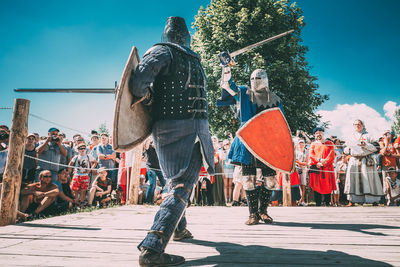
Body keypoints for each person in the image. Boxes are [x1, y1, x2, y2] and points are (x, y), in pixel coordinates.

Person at [129, 16, 214, 266]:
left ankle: (179, 227)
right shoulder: (178, 56)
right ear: (184, 36)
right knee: (180, 186)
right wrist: (145, 93)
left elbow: (139, 85)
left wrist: (147, 96)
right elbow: (137, 81)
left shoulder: (163, 52)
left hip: (186, 129)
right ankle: (152, 247)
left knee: (180, 180)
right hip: (185, 129)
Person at [217, 66, 282, 225]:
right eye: (252, 78)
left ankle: (263, 211)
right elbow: (228, 86)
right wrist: (226, 69)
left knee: (271, 180)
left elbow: (280, 124)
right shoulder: (244, 93)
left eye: (258, 79)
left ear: (265, 80)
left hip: (266, 142)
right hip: (246, 142)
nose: (254, 81)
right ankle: (253, 214)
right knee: (248, 179)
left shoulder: (275, 99)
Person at [344, 120, 384, 206]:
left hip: (366, 160)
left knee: (369, 180)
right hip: (354, 160)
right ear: (353, 125)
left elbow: (376, 147)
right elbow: (345, 149)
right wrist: (350, 149)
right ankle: (352, 200)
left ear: (362, 125)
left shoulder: (368, 135)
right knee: (353, 180)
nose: (357, 126)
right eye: (355, 124)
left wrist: (365, 145)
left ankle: (372, 200)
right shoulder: (350, 136)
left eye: (359, 124)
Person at [308, 127, 336, 206]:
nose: (318, 134)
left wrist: (323, 163)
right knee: (317, 186)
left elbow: (331, 155)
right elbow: (311, 155)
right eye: (316, 133)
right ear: (314, 135)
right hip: (317, 168)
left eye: (320, 132)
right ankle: (318, 204)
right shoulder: (313, 144)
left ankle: (327, 203)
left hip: (327, 168)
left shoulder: (329, 143)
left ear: (323, 133)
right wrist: (319, 161)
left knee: (327, 186)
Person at [143, 137, 166, 204]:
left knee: (165, 185)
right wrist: (149, 138)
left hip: (159, 168)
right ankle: (148, 201)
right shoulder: (149, 147)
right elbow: (146, 146)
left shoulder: (160, 149)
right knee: (152, 184)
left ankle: (164, 200)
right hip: (151, 168)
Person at [295, 139, 308, 206]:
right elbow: (295, 161)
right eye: (300, 143)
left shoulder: (306, 152)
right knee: (297, 185)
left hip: (303, 170)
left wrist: (300, 163)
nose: (301, 144)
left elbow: (307, 162)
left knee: (303, 185)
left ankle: (302, 200)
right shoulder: (296, 152)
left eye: (302, 143)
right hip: (297, 169)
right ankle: (297, 200)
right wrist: (299, 163)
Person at [221, 139, 234, 203]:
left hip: (231, 169)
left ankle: (230, 199)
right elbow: (222, 163)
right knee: (225, 185)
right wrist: (223, 172)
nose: (226, 146)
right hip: (225, 169)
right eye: (224, 144)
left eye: (227, 144)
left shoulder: (232, 152)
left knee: (230, 185)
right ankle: (226, 199)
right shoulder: (222, 152)